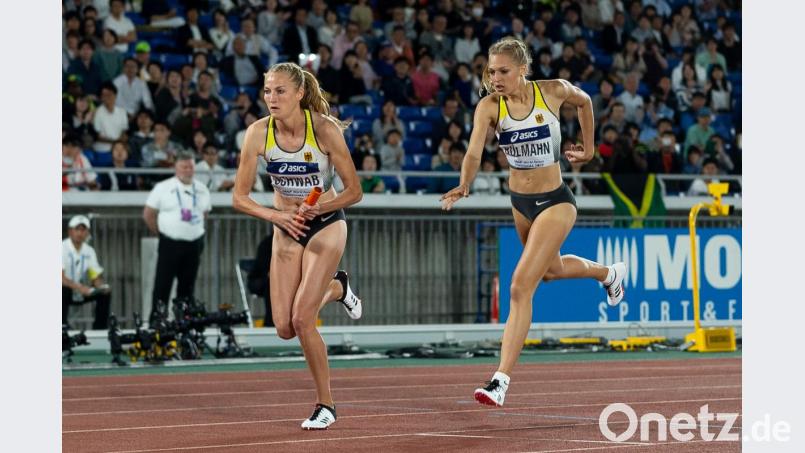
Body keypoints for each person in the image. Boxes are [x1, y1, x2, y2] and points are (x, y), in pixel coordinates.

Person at [440, 37, 627, 407]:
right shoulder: (489, 107)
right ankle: (608, 274)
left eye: (503, 71)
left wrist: (588, 149)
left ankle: (500, 379)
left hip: (556, 201)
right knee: (552, 271)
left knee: (519, 286)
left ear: (522, 69)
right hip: (520, 202)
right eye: (491, 71)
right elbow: (475, 149)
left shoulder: (552, 91)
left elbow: (585, 102)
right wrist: (464, 184)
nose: (495, 78)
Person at [232, 62, 364, 430]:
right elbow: (239, 198)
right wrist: (279, 218)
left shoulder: (323, 130)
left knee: (304, 319)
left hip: (325, 223)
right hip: (285, 226)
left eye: (280, 91)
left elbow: (355, 191)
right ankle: (338, 288)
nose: (271, 98)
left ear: (299, 93)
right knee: (284, 328)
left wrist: (317, 207)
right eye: (267, 91)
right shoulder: (257, 134)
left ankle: (326, 405)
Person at [142, 151, 212, 319]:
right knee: (162, 285)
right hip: (170, 243)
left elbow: (204, 213)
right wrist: (162, 234)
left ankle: (184, 322)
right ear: (176, 168)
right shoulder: (163, 188)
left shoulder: (202, 189)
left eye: (191, 167)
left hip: (194, 243)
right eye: (184, 167)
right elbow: (148, 214)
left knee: (187, 286)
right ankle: (157, 322)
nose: (188, 170)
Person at [62, 215, 111, 330]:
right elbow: (61, 278)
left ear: (87, 232)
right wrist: (80, 288)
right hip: (67, 289)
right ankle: (62, 326)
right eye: (77, 229)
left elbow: (94, 276)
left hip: (80, 290)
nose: (80, 233)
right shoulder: (62, 247)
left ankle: (100, 328)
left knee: (104, 294)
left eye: (83, 230)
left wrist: (101, 287)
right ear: (70, 231)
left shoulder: (89, 251)